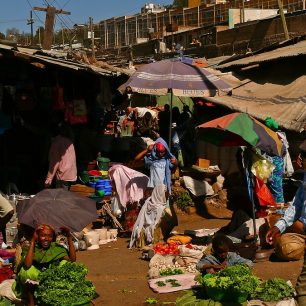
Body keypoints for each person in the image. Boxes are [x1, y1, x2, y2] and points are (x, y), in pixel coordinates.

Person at [12, 224, 76, 306]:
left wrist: (69, 237)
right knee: (26, 270)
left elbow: (72, 260)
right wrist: (33, 240)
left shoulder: (56, 248)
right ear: (37, 236)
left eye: (50, 236)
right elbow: (27, 265)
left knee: (65, 263)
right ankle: (31, 301)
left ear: (53, 238)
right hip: (35, 282)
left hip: (51, 280)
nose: (46, 239)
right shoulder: (30, 248)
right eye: (43, 235)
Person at [265, 144, 306, 261]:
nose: (300, 160)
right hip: (302, 231)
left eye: (303, 156)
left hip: (302, 228)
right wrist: (279, 226)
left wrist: (298, 226)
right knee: (285, 248)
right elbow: (296, 205)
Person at [44, 123, 77, 189]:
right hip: (72, 174)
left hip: (63, 175)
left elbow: (54, 162)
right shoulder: (69, 141)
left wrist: (49, 178)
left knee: (61, 197)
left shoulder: (56, 142)